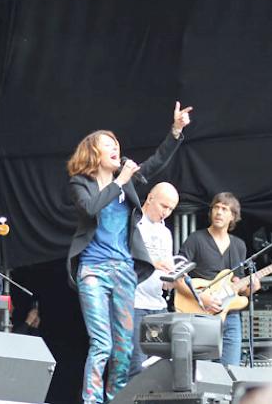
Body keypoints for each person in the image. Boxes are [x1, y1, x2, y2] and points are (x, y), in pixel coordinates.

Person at [66, 101, 192, 404]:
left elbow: (156, 162)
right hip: (93, 269)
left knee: (123, 347)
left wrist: (175, 131)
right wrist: (119, 182)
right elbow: (90, 209)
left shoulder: (129, 182)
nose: (115, 148)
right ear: (93, 153)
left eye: (116, 144)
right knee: (101, 343)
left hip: (123, 269)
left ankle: (116, 399)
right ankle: (92, 401)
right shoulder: (80, 183)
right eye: (107, 144)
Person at [179, 192, 261, 366]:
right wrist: (201, 297)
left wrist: (250, 287)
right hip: (202, 315)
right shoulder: (196, 239)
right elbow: (178, 276)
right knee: (203, 372)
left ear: (233, 216)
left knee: (231, 372)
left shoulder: (239, 245)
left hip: (230, 316)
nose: (219, 212)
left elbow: (237, 286)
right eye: (216, 207)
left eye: (224, 209)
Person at [129, 182, 179, 378]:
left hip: (157, 305)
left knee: (157, 365)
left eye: (171, 209)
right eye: (164, 206)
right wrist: (153, 262)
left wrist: (170, 281)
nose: (166, 212)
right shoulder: (133, 224)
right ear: (150, 198)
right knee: (136, 365)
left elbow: (164, 269)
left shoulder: (165, 232)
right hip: (134, 304)